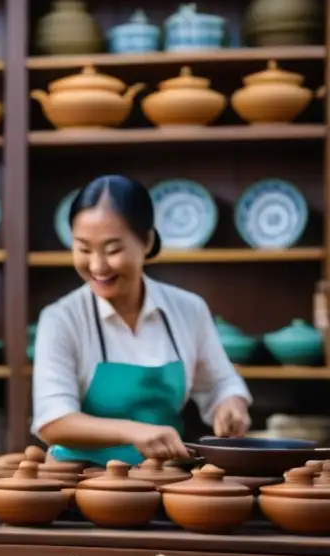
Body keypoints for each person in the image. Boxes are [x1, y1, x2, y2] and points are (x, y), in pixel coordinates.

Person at [31, 174, 252, 466]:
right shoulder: (61, 318)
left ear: (147, 241)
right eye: (83, 249)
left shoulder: (189, 310)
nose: (97, 265)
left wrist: (230, 406)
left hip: (163, 480)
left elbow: (221, 383)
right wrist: (134, 432)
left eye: (113, 250)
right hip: (78, 485)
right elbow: (53, 421)